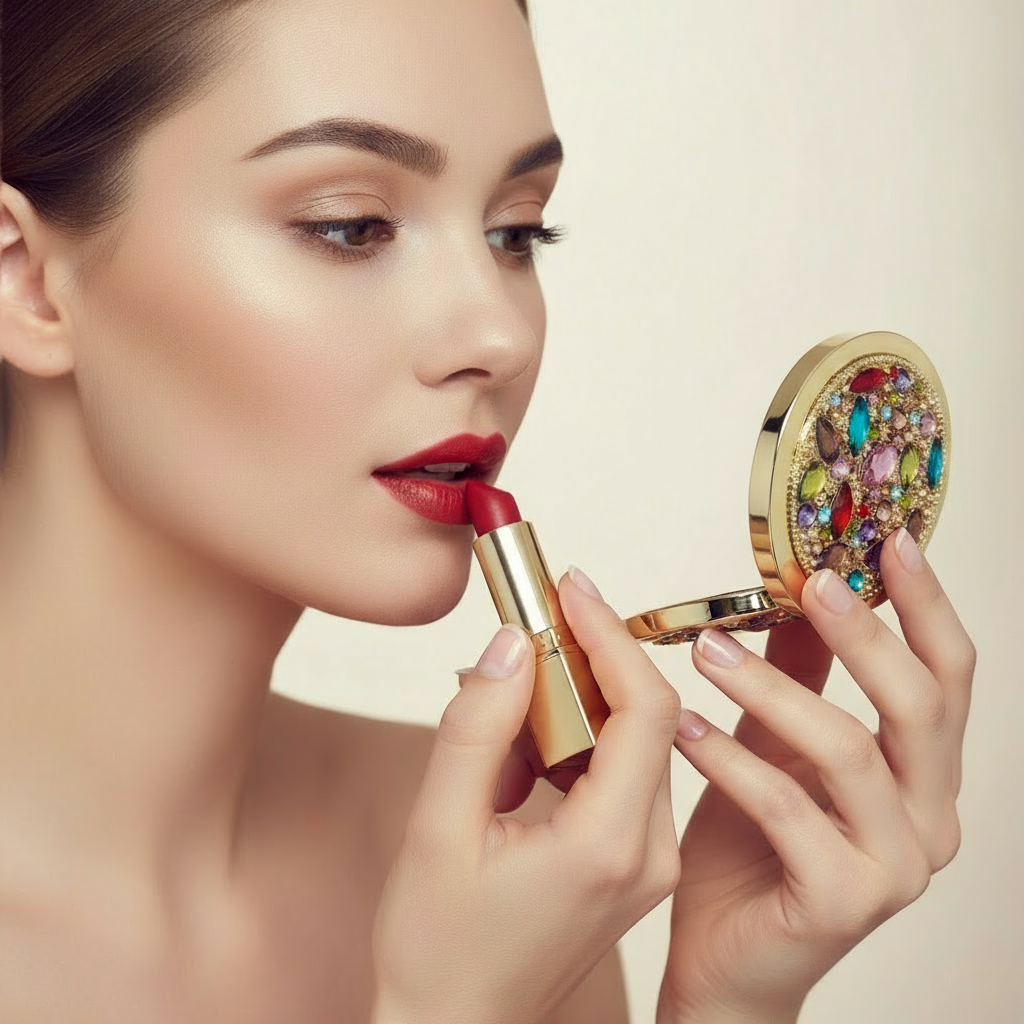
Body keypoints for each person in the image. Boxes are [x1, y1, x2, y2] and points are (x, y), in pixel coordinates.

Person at [0, 0, 975, 1020]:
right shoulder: (491, 909)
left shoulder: (507, 867)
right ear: (26, 278)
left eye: (516, 232)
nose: (499, 335)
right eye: (349, 225)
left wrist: (728, 1001)